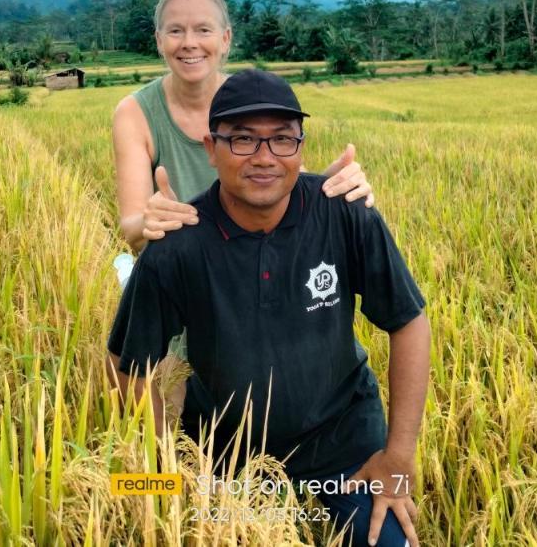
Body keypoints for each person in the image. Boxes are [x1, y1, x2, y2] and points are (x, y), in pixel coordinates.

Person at [108, 70, 431, 547]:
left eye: (282, 140)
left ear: (301, 146)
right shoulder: (178, 246)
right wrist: (167, 470)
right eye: (242, 140)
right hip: (227, 453)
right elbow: (128, 365)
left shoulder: (346, 214)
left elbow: (409, 321)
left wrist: (398, 459)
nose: (264, 158)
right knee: (127, 498)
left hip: (342, 440)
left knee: (388, 540)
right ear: (210, 148)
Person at [111, 0, 373, 264]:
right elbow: (132, 226)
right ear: (159, 40)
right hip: (182, 267)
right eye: (175, 31)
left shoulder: (253, 97)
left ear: (225, 39)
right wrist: (153, 218)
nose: (189, 43)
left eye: (203, 30)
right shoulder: (134, 113)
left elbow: (282, 185)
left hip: (255, 262)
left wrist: (327, 187)